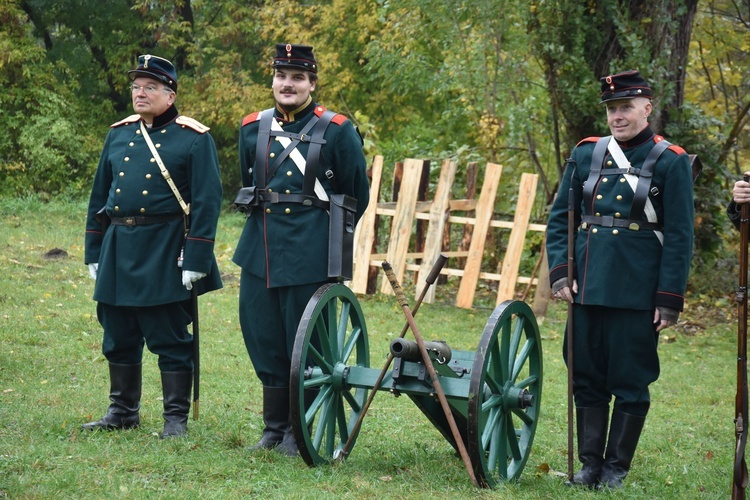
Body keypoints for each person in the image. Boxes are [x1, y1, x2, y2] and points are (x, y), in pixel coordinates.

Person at [546, 70, 694, 489]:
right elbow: (561, 219)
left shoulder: (671, 160)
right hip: (587, 285)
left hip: (637, 292)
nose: (617, 116)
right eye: (612, 109)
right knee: (585, 375)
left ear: (647, 108)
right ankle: (590, 464)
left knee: (630, 380)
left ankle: (614, 469)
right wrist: (561, 275)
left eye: (626, 107)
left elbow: (681, 234)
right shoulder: (586, 154)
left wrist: (668, 299)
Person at [233, 43, 370, 456]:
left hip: (310, 253)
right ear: (272, 80)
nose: (287, 84)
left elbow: (354, 196)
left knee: (303, 343)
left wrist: (329, 245)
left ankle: (299, 430)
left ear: (312, 82)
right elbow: (251, 183)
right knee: (263, 337)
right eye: (281, 76)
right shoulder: (252, 127)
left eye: (296, 77)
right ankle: (274, 428)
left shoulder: (338, 130)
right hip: (261, 252)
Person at [83, 54, 223, 438]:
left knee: (168, 334)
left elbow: (209, 203)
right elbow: (100, 197)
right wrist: (93, 250)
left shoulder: (194, 138)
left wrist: (196, 256)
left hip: (165, 247)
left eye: (149, 87)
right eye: (135, 87)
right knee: (117, 330)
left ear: (170, 93)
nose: (140, 93)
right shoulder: (119, 134)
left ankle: (174, 420)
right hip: (118, 245)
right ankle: (123, 411)